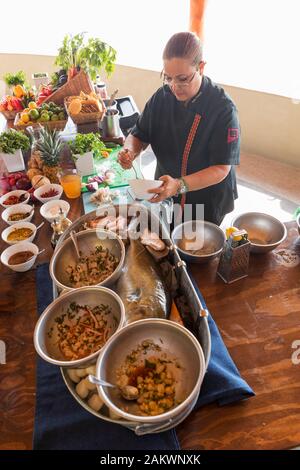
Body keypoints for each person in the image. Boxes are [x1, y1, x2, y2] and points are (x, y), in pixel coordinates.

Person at [118, 31, 240, 226]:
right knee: (164, 236)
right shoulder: (162, 97)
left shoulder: (223, 108)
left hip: (207, 197)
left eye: (183, 79)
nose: (174, 86)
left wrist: (179, 185)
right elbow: (138, 133)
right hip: (165, 187)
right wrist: (130, 150)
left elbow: (221, 168)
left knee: (194, 246)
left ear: (201, 67)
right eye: (168, 78)